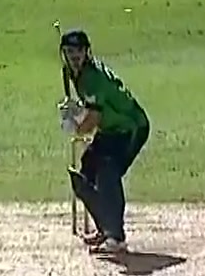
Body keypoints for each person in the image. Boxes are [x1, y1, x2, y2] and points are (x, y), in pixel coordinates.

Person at [59, 29, 150, 256]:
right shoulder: (74, 73)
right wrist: (76, 111)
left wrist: (74, 125)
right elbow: (93, 108)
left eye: (78, 51)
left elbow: (93, 120)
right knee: (88, 170)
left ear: (86, 52)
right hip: (110, 128)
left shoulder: (93, 78)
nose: (74, 56)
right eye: (69, 51)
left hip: (131, 128)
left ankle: (116, 237)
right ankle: (105, 229)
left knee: (108, 172)